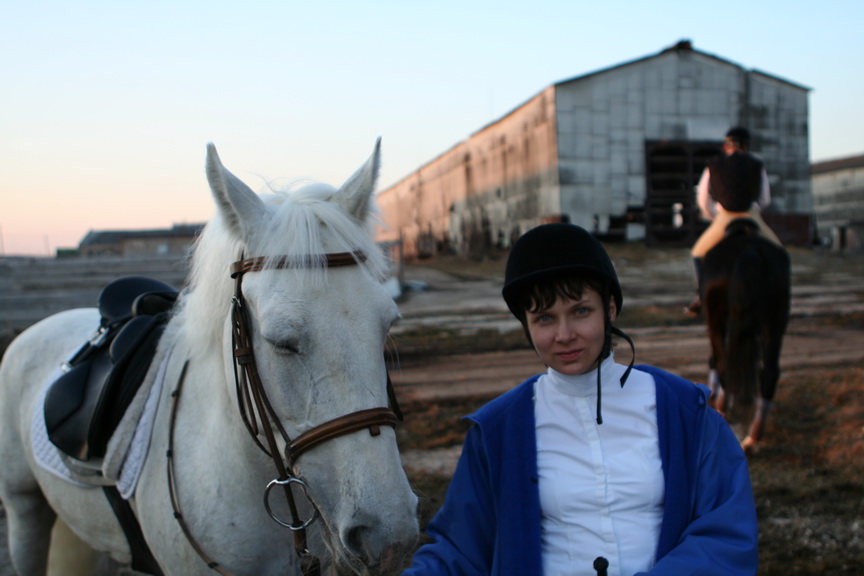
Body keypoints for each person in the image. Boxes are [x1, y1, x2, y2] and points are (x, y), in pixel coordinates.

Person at [403, 223, 758, 576]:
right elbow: (459, 550)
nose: (564, 335)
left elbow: (726, 534)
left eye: (580, 311)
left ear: (611, 309)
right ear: (526, 325)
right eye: (544, 318)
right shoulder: (497, 432)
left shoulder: (687, 412)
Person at [685, 126, 782, 316]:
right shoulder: (756, 165)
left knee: (697, 254)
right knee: (778, 252)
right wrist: (753, 211)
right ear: (746, 146)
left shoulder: (713, 165)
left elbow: (703, 200)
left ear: (725, 146)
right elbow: (765, 199)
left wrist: (714, 218)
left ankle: (702, 296)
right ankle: (776, 297)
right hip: (750, 215)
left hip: (724, 217)